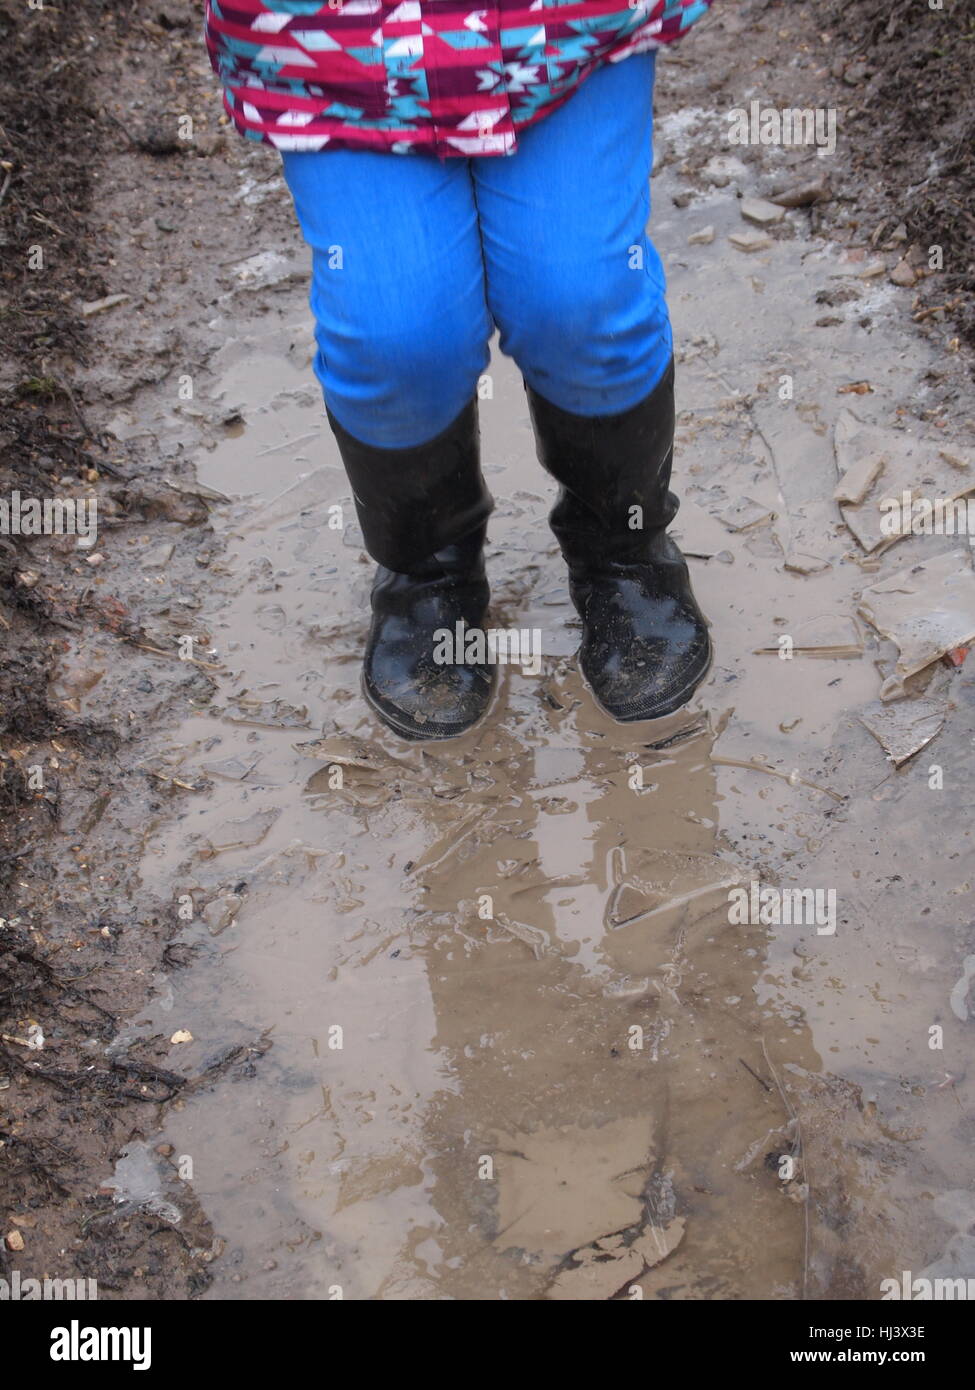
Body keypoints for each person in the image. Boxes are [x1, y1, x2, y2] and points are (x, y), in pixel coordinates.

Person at [204, 0, 714, 740]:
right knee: (397, 332)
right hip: (334, 50)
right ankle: (427, 574)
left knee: (581, 299)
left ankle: (622, 549)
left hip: (567, 30)